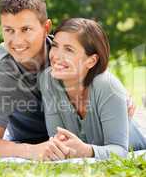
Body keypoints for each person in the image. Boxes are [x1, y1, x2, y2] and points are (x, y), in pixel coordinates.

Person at [0, 0, 135, 161]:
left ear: (46, 28)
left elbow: (92, 61)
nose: (17, 41)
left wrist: (119, 95)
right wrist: (31, 151)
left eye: (26, 29)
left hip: (85, 137)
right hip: (35, 141)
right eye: (9, 30)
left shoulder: (58, 47)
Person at [39, 18, 146, 160]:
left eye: (69, 49)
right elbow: (58, 140)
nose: (56, 56)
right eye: (55, 45)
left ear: (91, 61)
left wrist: (87, 151)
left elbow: (120, 150)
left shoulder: (106, 85)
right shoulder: (48, 80)